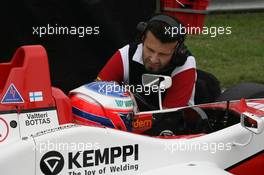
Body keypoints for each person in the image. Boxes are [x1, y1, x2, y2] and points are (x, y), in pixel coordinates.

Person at [97, 14, 196, 111]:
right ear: (142, 38)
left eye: (163, 54)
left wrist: (131, 108)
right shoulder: (126, 54)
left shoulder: (184, 66)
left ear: (178, 50)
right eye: (150, 49)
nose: (153, 59)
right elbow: (95, 92)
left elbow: (169, 120)